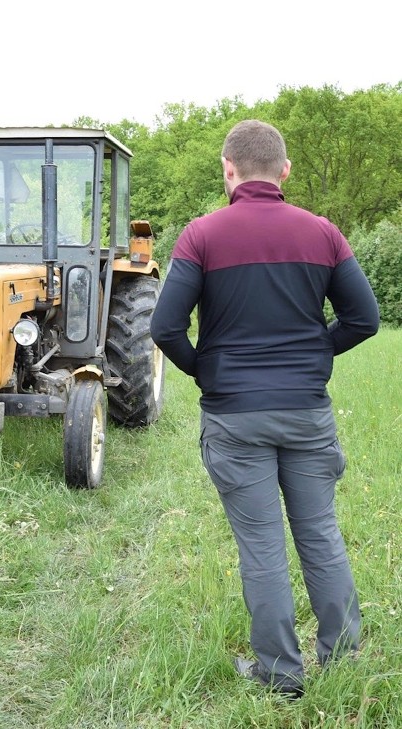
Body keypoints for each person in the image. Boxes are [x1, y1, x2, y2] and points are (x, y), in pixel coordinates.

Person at [150, 119, 379, 698]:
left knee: (262, 548)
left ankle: (280, 676)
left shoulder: (201, 236)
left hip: (235, 416)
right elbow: (365, 319)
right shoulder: (324, 234)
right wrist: (311, 355)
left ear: (228, 171)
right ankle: (344, 661)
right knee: (321, 535)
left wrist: (208, 371)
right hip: (306, 411)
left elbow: (164, 327)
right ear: (284, 171)